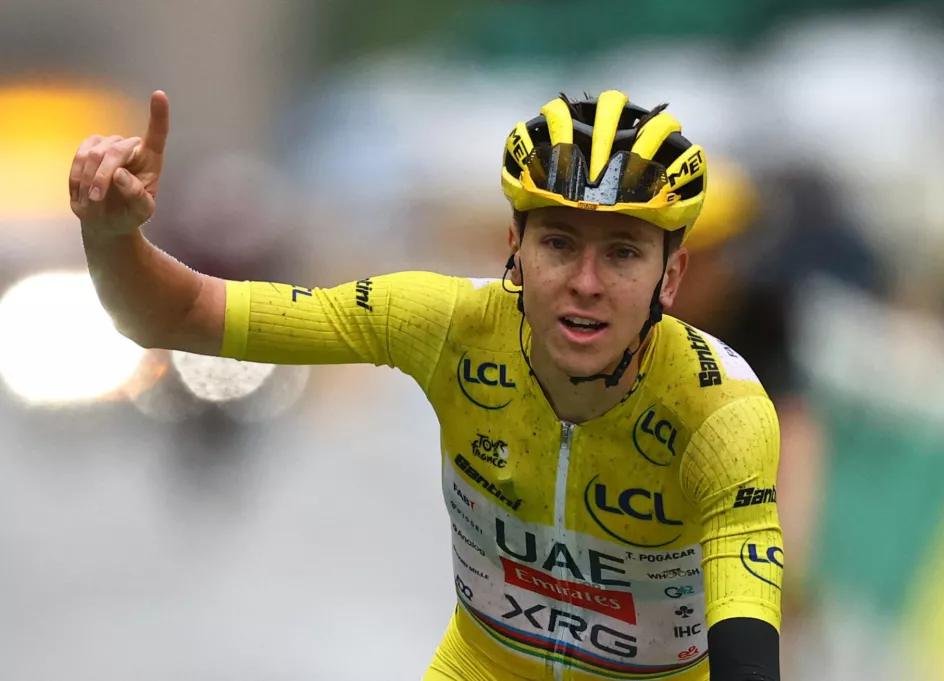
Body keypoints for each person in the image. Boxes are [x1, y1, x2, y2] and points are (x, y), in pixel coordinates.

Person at [69, 89, 783, 681]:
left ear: (671, 276)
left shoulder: (720, 409)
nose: (586, 283)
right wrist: (111, 237)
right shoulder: (444, 324)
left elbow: (749, 650)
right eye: (559, 244)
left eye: (623, 253)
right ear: (514, 249)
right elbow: (177, 314)